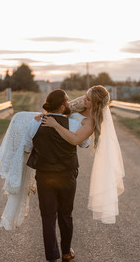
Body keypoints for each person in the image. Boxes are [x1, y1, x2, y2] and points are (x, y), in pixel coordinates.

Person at [24, 89, 91, 262]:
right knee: (66, 214)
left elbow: (27, 147)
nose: (70, 104)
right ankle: (67, 253)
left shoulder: (36, 123)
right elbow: (85, 144)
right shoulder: (72, 123)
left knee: (48, 217)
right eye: (68, 102)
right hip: (67, 175)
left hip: (45, 176)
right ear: (62, 106)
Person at [42, 85, 125, 224]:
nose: (83, 100)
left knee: (63, 212)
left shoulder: (90, 122)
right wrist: (48, 116)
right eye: (85, 96)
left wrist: (55, 124)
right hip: (52, 148)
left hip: (65, 159)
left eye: (88, 99)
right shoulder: (82, 104)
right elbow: (61, 108)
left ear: (95, 105)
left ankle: (65, 244)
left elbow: (75, 140)